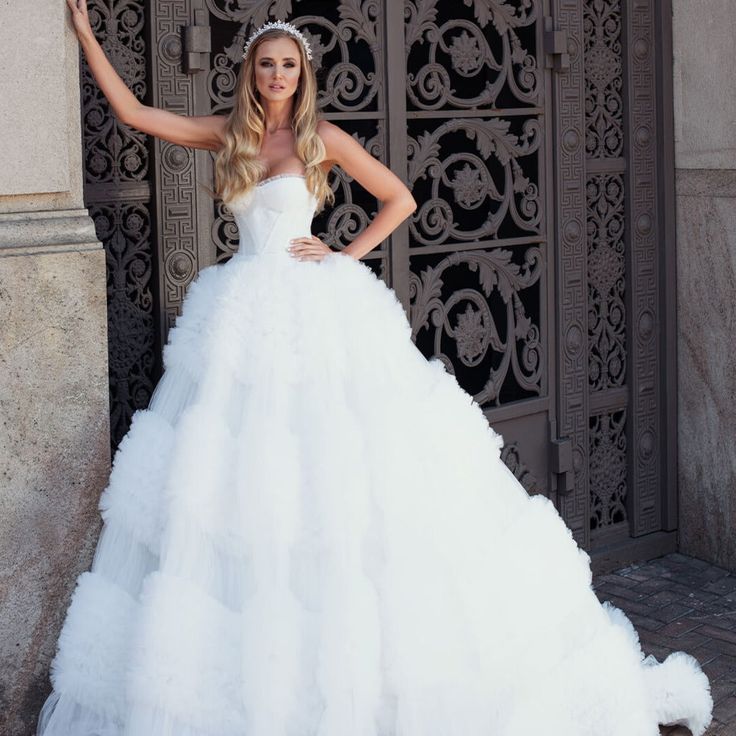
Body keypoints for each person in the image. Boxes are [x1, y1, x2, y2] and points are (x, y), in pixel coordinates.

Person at [37, 3, 713, 735]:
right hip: (241, 317)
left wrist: (343, 254)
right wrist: (84, 36)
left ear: (302, 76)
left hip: (314, 309)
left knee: (341, 470)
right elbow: (135, 112)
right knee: (251, 479)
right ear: (250, 73)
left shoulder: (320, 136)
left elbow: (401, 197)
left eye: (288, 66)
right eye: (266, 64)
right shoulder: (228, 135)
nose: (276, 76)